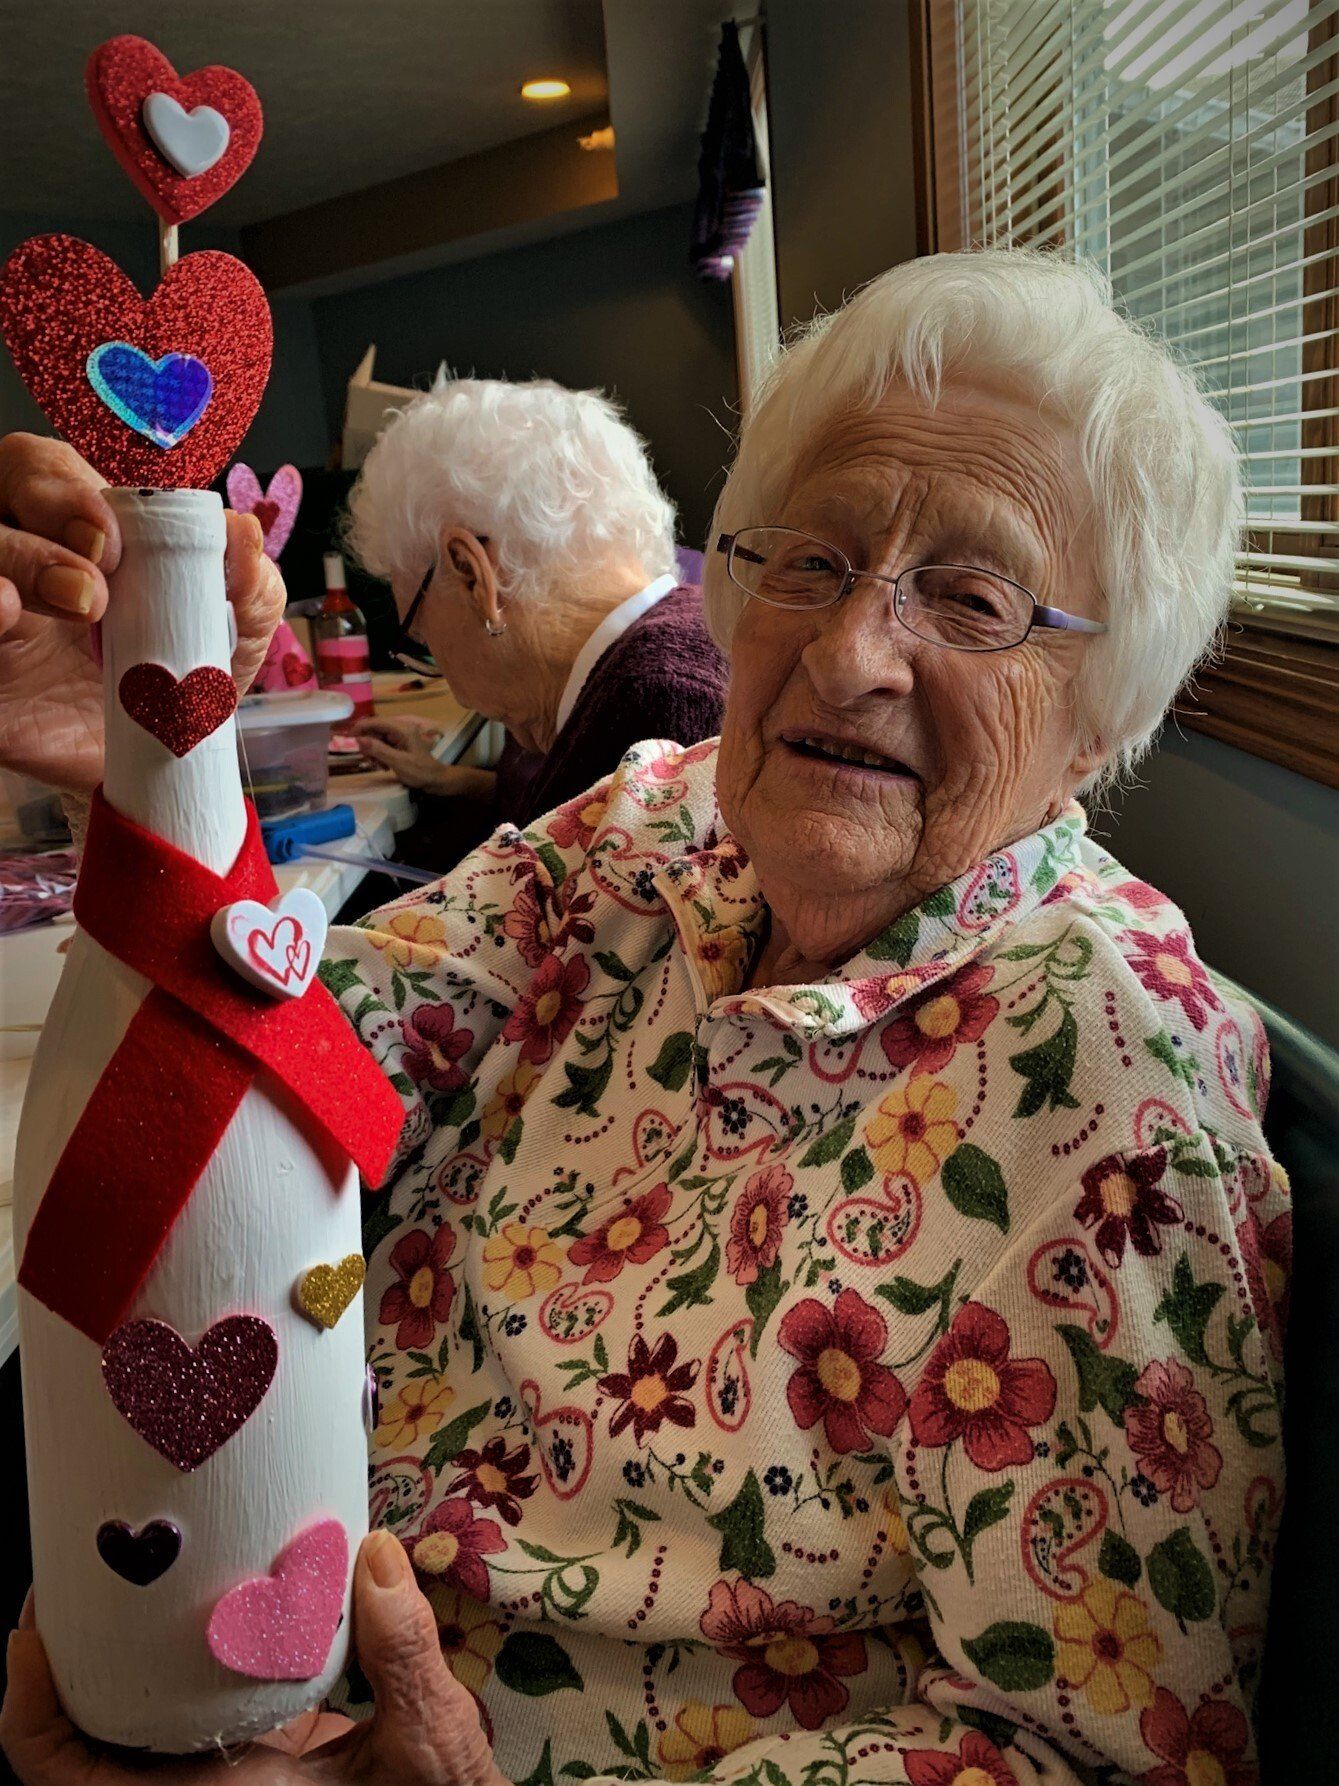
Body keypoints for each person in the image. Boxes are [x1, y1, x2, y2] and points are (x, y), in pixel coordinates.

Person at [0, 248, 1288, 1786]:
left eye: (971, 595)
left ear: (1101, 720)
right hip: (197, 1574)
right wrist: (148, 768)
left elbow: (1095, 1757)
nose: (847, 650)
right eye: (805, 560)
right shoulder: (649, 828)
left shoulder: (1105, 1074)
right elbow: (270, 1093)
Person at [343, 376, 728, 857]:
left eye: (419, 634)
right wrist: (449, 780)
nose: (437, 664)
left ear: (473, 575)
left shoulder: (655, 709)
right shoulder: (652, 660)